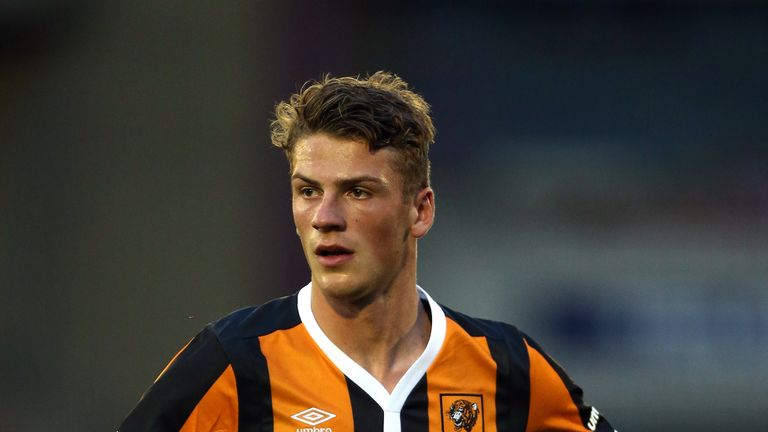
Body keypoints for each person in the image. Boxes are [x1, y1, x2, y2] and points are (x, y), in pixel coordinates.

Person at [119, 71, 616, 432]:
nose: (325, 217)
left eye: (358, 192)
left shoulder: (508, 367)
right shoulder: (235, 362)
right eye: (308, 191)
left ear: (420, 211)